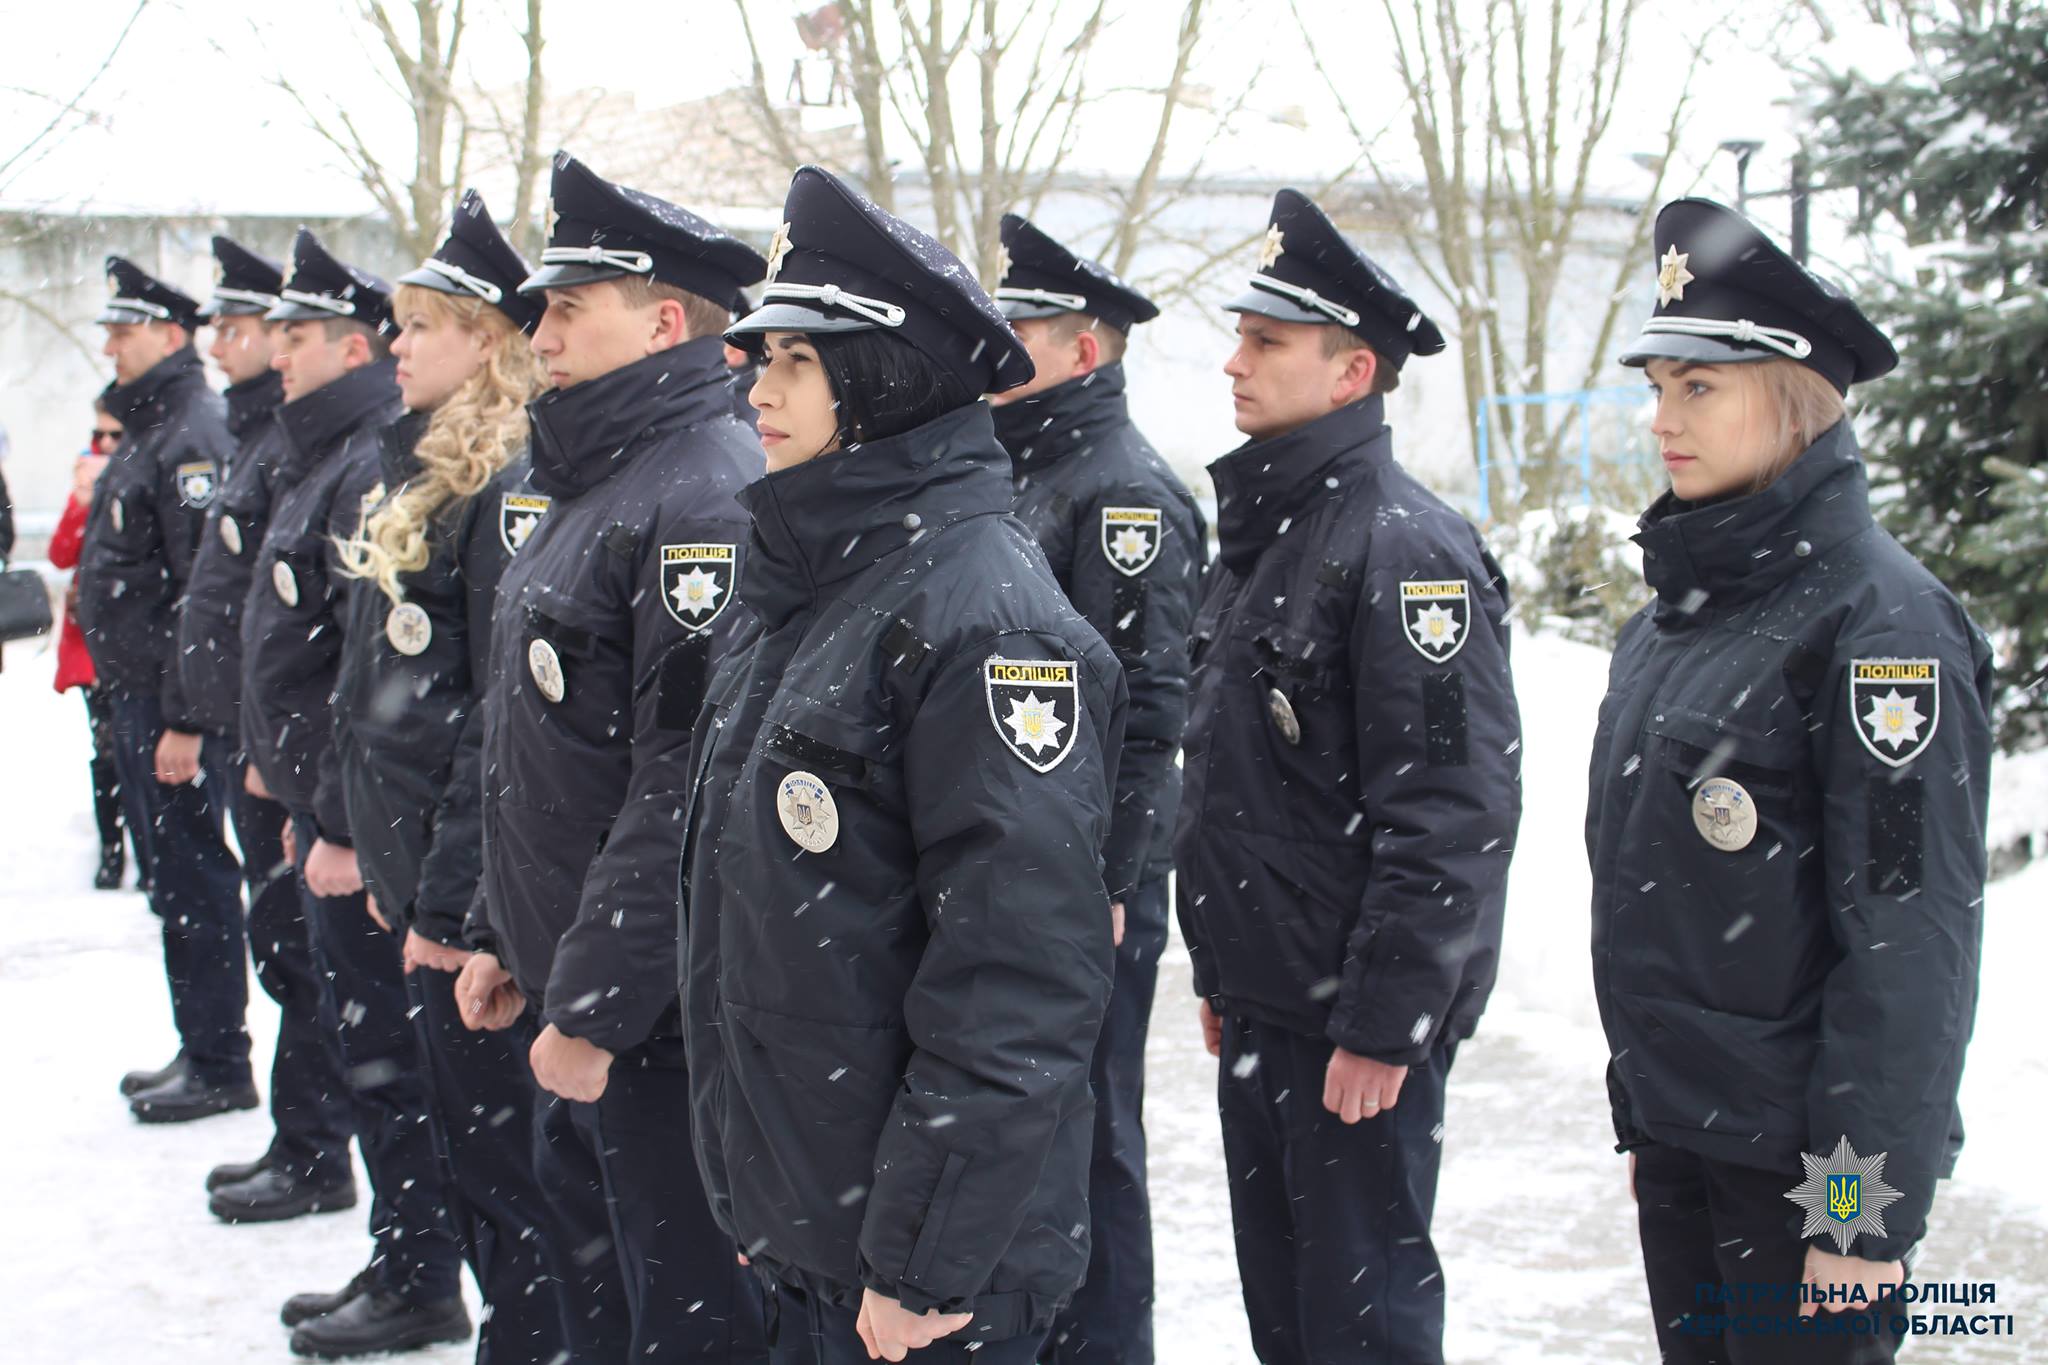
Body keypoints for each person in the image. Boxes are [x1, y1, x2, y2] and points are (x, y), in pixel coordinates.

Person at [684, 164, 1127, 1365]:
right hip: (826, 1223)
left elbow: (1015, 977)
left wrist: (924, 1263)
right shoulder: (820, 582)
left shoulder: (983, 622)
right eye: (758, 359)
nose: (755, 391)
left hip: (920, 1277)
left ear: (881, 383)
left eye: (793, 364)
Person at [1588, 198, 1993, 1364]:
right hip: (1690, 1144)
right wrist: (1656, 1132)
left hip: (1804, 1179)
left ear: (1795, 400)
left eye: (1696, 389)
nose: (1660, 420)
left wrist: (1854, 1220)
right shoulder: (1676, 613)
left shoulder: (1884, 631)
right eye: (1656, 386)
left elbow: (1906, 943)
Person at [1174, 189, 1522, 1365]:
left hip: (1350, 1035)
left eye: (1265, 342)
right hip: (1270, 1007)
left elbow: (1449, 812)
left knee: (1359, 1326)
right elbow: (1242, 783)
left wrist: (1385, 1022)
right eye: (1241, 335)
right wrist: (1224, 967)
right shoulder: (1269, 532)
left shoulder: (1402, 550)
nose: (1233, 362)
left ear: (1350, 371)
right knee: (1289, 1321)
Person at [452, 150, 768, 1364]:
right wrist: (502, 930)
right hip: (588, 990)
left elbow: (679, 785)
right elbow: (544, 752)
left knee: (685, 1319)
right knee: (603, 1305)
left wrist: (591, 1001)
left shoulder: (701, 498)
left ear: (666, 320)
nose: (539, 329)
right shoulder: (598, 476)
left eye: (569, 307)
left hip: (658, 1015)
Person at [332, 190, 574, 1363]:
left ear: (485, 337)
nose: (395, 343)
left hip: (465, 897)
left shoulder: (510, 482)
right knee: (472, 1164)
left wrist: (450, 901)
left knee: (508, 1179)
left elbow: (499, 719)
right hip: (420, 876)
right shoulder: (429, 469)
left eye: (418, 323)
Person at [241, 229, 469, 1357]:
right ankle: (406, 1256)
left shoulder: (375, 465)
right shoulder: (352, 453)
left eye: (296, 336)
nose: (279, 355)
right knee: (366, 1046)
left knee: (394, 1068)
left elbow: (369, 670)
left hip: (370, 833)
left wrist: (331, 818)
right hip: (346, 817)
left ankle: (419, 1268)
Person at [985, 210, 1204, 1365]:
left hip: (1089, 884)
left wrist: (1112, 880)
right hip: (1029, 875)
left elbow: (1149, 715)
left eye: (1018, 327)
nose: (993, 341)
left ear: (1083, 349)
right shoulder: (1013, 468)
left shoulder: (1119, 495)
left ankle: (1107, 1346)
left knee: (1092, 1138)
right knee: (1028, 1135)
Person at [169, 234, 361, 1226]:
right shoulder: (278, 438)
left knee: (316, 972)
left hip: (309, 777)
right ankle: (310, 1145)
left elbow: (342, 653)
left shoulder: (327, 451)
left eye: (291, 333)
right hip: (269, 759)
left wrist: (310, 789)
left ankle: (318, 1152)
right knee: (291, 956)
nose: (272, 350)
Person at [75, 257, 256, 1122]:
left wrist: (184, 717)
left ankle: (221, 1057)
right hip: (138, 697)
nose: (110, 344)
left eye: (125, 329)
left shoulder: (190, 432)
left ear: (169, 336)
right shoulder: (152, 425)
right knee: (175, 884)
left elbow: (203, 590)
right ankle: (202, 1044)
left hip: (170, 706)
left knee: (194, 882)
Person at [47, 403, 137, 890]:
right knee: (105, 752)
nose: (103, 445)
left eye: (114, 435)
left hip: (136, 644)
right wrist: (83, 505)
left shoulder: (142, 482)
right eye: (97, 435)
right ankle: (111, 850)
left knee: (138, 752)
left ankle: (143, 846)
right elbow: (60, 554)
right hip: (90, 645)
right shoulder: (84, 488)